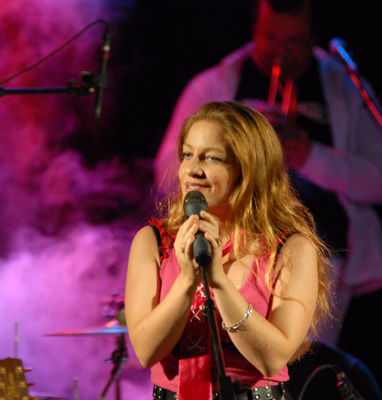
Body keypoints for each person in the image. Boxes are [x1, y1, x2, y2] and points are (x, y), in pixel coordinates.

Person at [153, 0, 382, 372]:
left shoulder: (343, 86)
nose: (280, 52)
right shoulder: (214, 85)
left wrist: (310, 156)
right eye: (270, 37)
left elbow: (378, 177)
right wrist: (237, 145)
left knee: (296, 372)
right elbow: (167, 174)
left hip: (322, 256)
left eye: (294, 41)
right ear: (254, 31)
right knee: (233, 369)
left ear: (314, 38)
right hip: (233, 251)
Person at [126, 101, 331, 399]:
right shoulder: (153, 242)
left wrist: (219, 283)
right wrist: (187, 280)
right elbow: (146, 351)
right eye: (187, 154)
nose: (192, 170)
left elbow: (272, 359)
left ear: (248, 170)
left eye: (212, 158)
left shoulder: (292, 249)